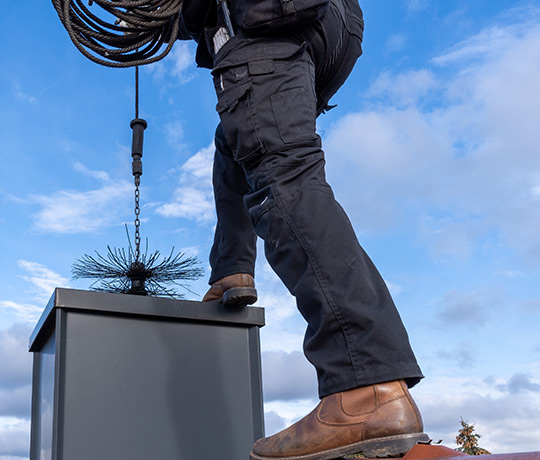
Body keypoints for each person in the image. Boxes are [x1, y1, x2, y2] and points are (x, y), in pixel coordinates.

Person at [178, 1, 428, 459]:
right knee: (235, 137)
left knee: (282, 176)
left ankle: (367, 388)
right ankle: (232, 267)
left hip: (260, 15)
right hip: (333, 23)